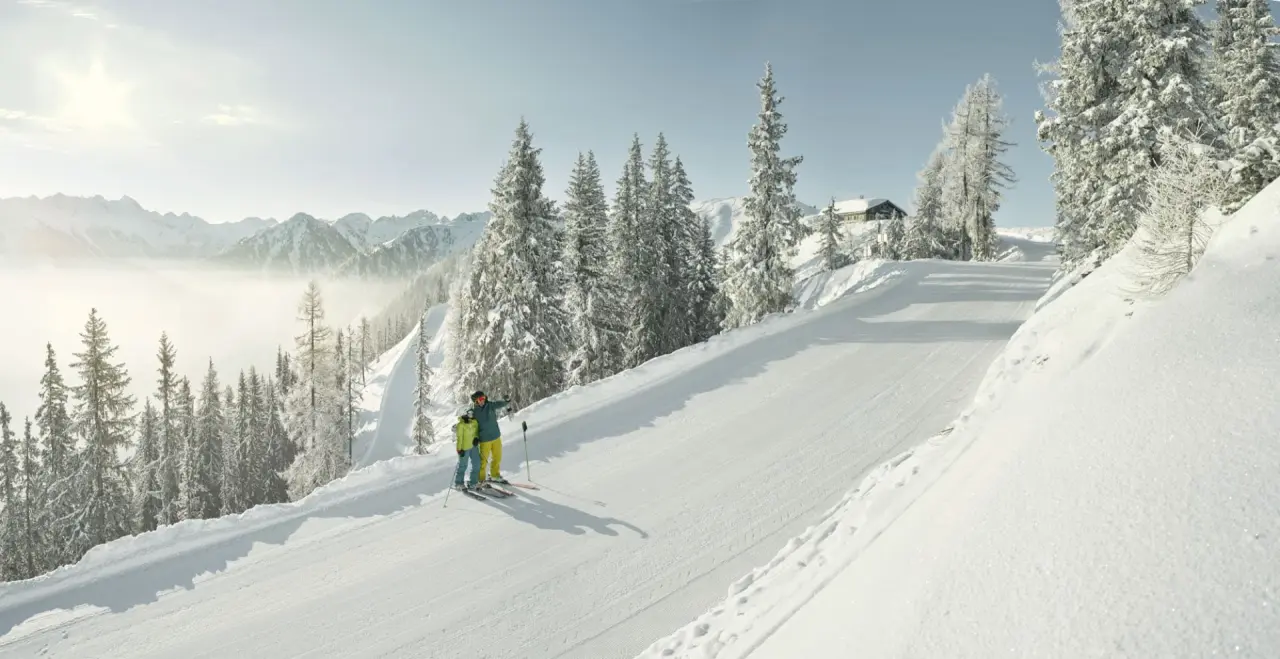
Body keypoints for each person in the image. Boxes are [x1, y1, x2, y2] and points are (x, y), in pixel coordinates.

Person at [469, 390, 513, 485]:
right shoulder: (474, 412)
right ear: (476, 401)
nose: (482, 400)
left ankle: (495, 475)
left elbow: (499, 404)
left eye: (483, 398)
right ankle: (481, 480)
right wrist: (475, 437)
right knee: (483, 461)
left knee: (497, 457)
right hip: (484, 440)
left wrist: (506, 401)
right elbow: (472, 427)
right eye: (480, 399)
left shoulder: (490, 405)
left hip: (496, 436)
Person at [453, 411, 481, 491]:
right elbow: (459, 437)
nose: (470, 415)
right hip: (464, 448)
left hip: (474, 447)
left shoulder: (474, 422)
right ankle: (459, 483)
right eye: (468, 414)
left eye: (471, 414)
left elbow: (476, 433)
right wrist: (459, 449)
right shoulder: (461, 425)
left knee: (477, 464)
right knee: (463, 465)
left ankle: (473, 482)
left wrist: (476, 438)